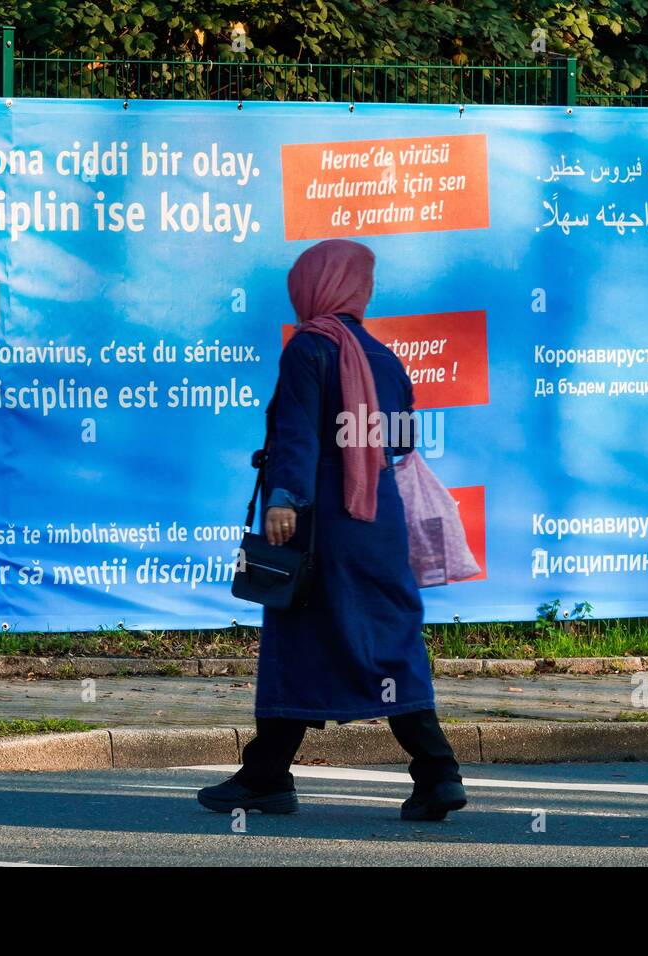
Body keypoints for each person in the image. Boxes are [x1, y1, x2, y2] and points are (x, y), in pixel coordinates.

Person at [198, 239, 466, 822]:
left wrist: (286, 499)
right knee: (391, 640)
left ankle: (266, 776)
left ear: (315, 285)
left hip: (320, 521)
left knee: (296, 640)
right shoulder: (385, 358)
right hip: (380, 521)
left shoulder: (309, 350)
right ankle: (436, 773)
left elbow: (296, 433)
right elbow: (397, 443)